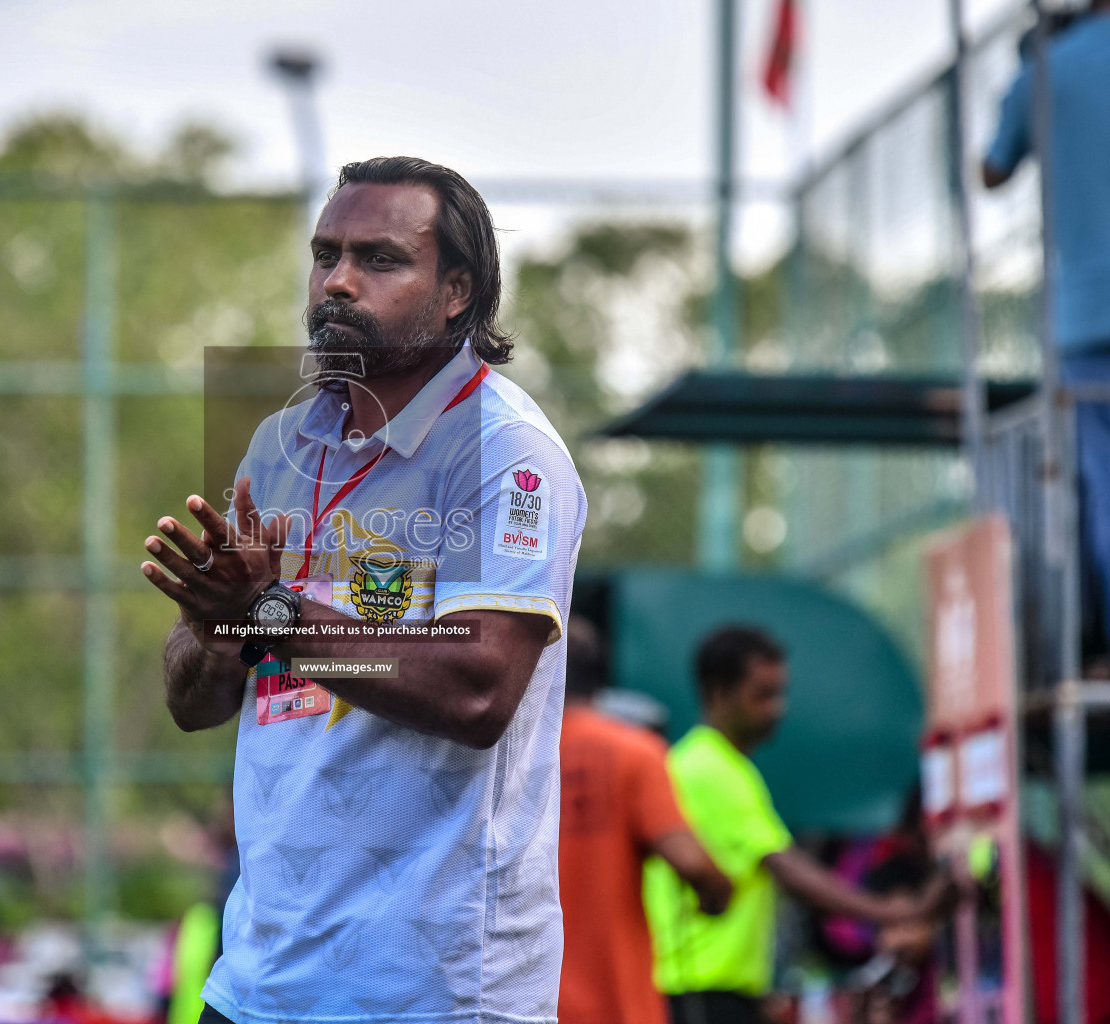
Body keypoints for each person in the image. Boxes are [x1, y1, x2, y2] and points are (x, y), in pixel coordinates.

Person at [143, 156, 587, 1023]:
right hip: (259, 984)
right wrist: (214, 626)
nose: (338, 281)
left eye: (380, 260)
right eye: (326, 254)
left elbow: (477, 689)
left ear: (455, 291)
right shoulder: (280, 447)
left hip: (430, 991)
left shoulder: (505, 452)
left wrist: (267, 614)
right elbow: (195, 703)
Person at [644, 626, 948, 1024]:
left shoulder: (715, 764)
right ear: (719, 693)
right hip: (701, 992)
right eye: (762, 695)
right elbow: (786, 868)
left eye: (779, 694)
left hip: (711, 990)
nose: (777, 709)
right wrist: (893, 913)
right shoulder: (711, 768)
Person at [982, 1, 1110, 657]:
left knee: (1102, 483)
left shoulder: (1047, 68)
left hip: (1087, 317)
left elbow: (991, 170)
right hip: (1084, 318)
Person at [558, 614, 732, 1024]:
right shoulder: (635, 753)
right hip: (617, 1006)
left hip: (515, 1005)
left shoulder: (504, 756)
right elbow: (693, 864)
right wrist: (717, 894)